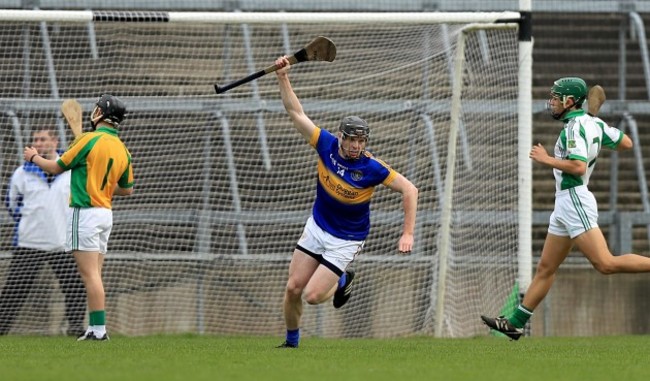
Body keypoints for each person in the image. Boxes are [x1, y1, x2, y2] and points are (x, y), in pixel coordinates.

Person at [481, 77, 650, 340]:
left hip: (574, 199)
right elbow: (626, 142)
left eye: (556, 97)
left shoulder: (573, 129)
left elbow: (579, 166)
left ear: (569, 102)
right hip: (565, 203)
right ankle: (515, 323)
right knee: (546, 268)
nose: (551, 102)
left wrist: (547, 159)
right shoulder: (590, 123)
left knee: (605, 263)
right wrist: (597, 127)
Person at [273, 55, 419, 348]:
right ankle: (291, 344)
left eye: (361, 141)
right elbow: (296, 113)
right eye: (352, 139)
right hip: (318, 226)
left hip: (347, 238)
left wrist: (407, 233)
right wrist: (283, 77)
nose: (356, 145)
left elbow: (410, 190)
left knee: (313, 297)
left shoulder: (371, 168)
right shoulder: (325, 144)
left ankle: (342, 280)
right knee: (292, 288)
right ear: (341, 137)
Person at [23, 94, 134, 341]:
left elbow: (55, 167)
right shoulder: (122, 148)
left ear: (99, 114)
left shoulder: (88, 140)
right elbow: (127, 189)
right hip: (105, 214)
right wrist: (101, 186)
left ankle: (99, 330)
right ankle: (94, 328)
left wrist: (33, 157)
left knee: (89, 275)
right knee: (95, 274)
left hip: (84, 213)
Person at [0, 126, 86, 336]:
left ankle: (75, 327)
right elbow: (12, 204)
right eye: (35, 140)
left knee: (75, 287)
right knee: (14, 291)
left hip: (62, 242)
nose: (38, 144)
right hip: (30, 242)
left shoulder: (71, 171)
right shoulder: (22, 173)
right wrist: (32, 223)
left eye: (43, 139)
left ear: (55, 142)